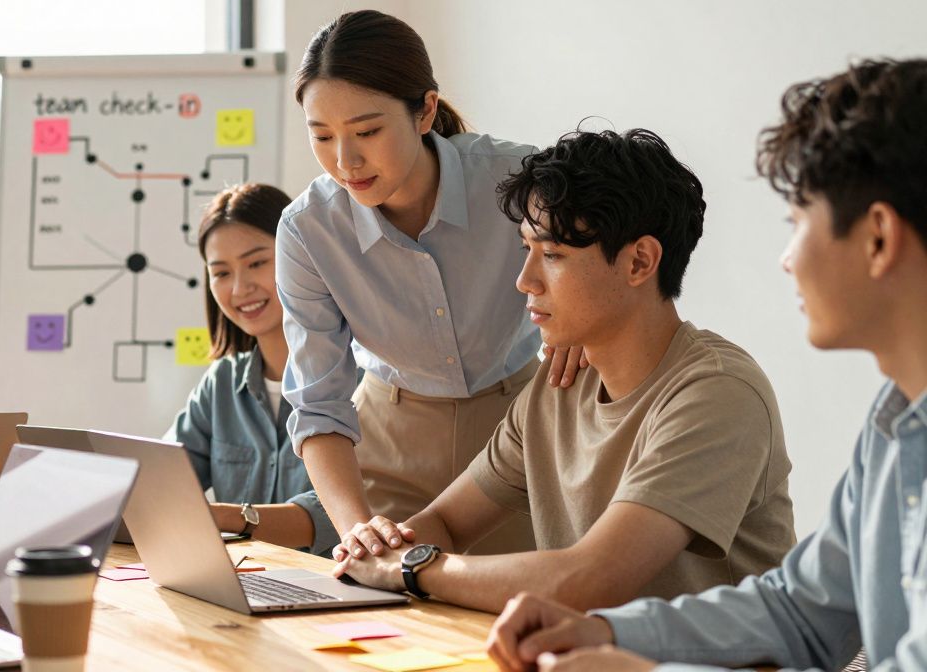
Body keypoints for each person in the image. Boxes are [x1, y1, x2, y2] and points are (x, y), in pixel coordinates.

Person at [483, 58, 927, 672]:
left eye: (798, 223)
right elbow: (799, 612)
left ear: (877, 237)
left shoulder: (718, 387)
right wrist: (606, 633)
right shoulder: (894, 421)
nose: (787, 259)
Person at [331, 128, 796, 613]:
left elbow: (594, 578)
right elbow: (445, 523)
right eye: (526, 249)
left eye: (552, 255)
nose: (525, 280)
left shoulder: (716, 393)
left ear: (640, 261)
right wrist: (378, 547)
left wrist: (413, 568)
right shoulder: (559, 385)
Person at [277, 9, 584, 555]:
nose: (345, 161)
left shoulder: (519, 180)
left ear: (425, 111)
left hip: (519, 428)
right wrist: (355, 526)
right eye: (321, 136)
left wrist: (576, 330)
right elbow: (319, 403)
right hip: (389, 438)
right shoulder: (308, 231)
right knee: (390, 618)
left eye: (367, 131)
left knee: (519, 613)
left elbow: (599, 273)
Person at [169, 183, 338, 555]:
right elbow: (162, 479)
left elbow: (347, 515)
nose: (240, 288)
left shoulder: (358, 377)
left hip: (341, 594)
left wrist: (229, 518)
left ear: (301, 255)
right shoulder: (222, 384)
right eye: (221, 273)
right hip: (245, 587)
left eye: (257, 263)